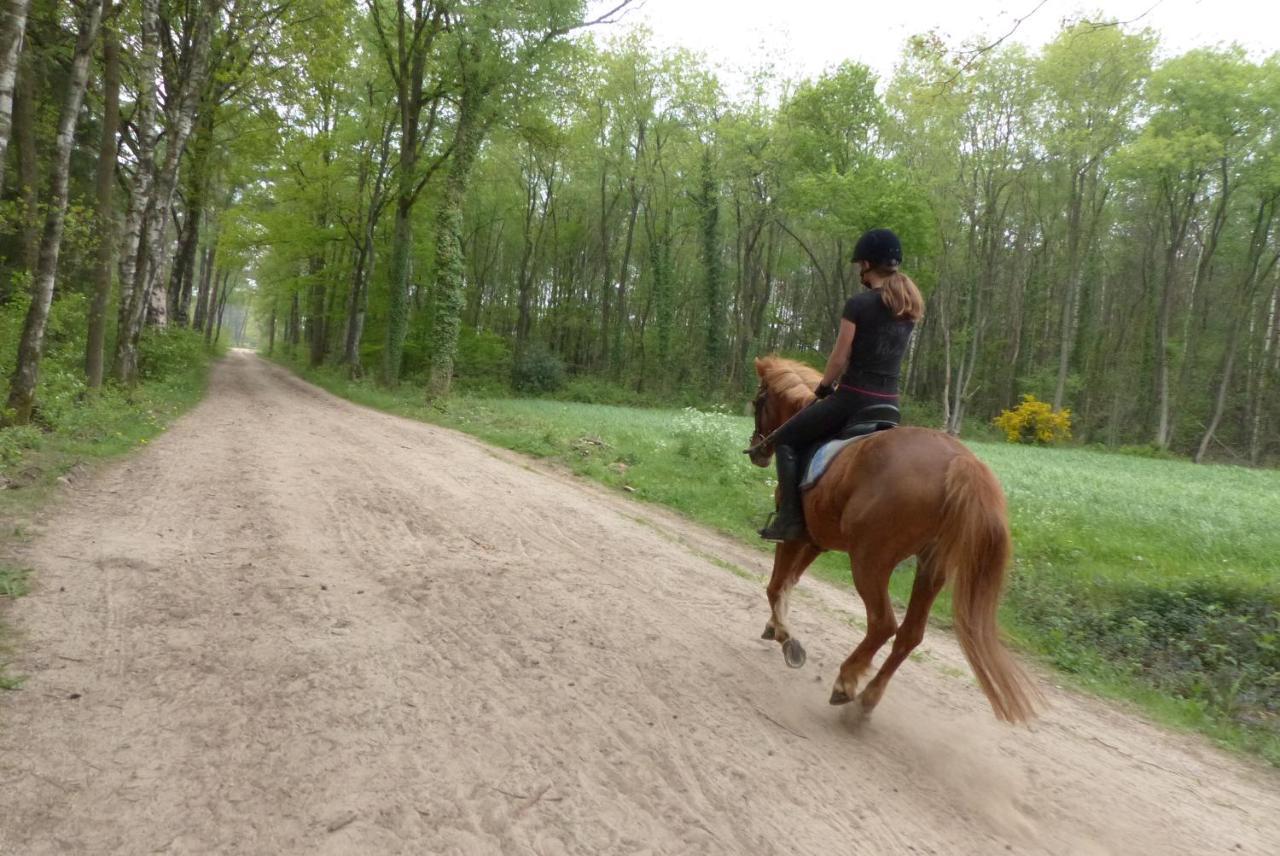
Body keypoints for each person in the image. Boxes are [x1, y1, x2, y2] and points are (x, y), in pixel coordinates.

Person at [758, 228, 925, 542]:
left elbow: (839, 358)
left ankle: (790, 520)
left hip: (854, 399)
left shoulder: (859, 304)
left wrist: (823, 388)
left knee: (785, 439)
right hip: (890, 405)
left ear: (866, 264)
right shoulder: (909, 308)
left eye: (859, 265)